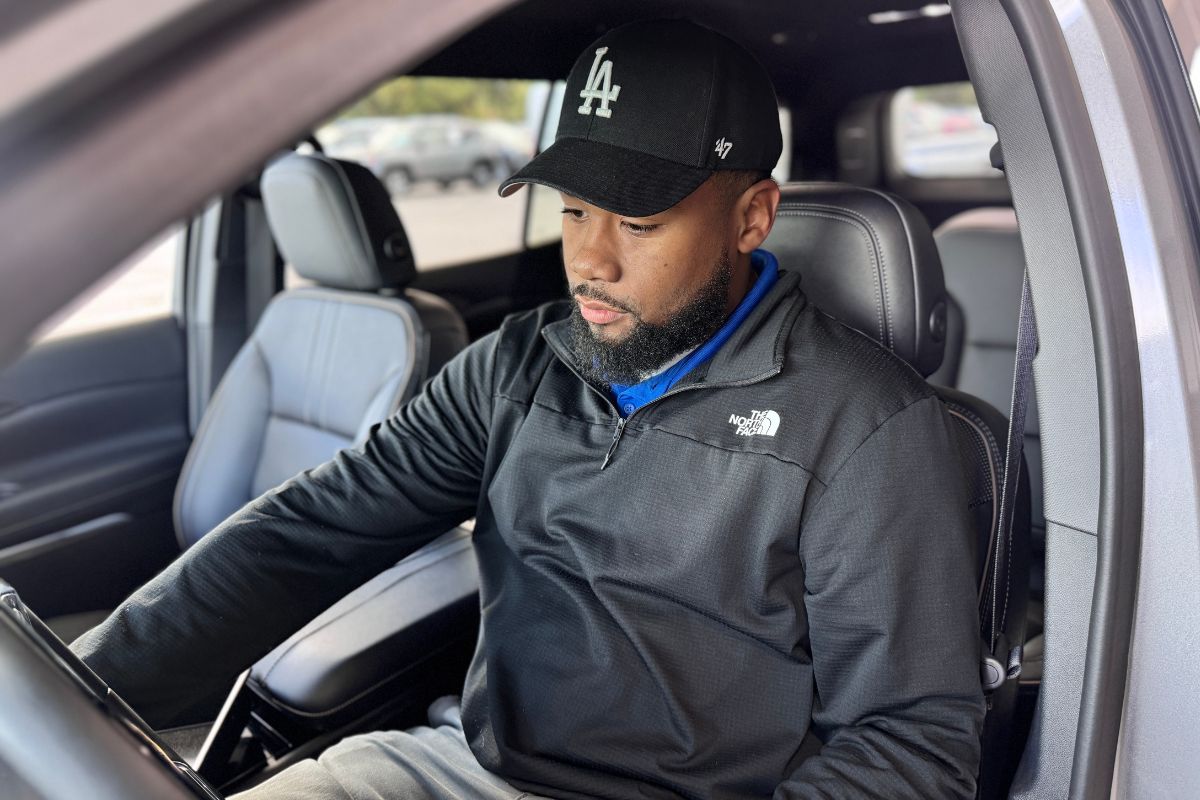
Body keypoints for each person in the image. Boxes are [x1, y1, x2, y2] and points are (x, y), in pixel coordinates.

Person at [72, 19, 984, 800]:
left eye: (638, 223)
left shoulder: (866, 427)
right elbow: (309, 532)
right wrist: (80, 691)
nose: (592, 260)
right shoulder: (518, 365)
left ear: (752, 218)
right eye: (575, 211)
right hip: (464, 770)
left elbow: (908, 740)